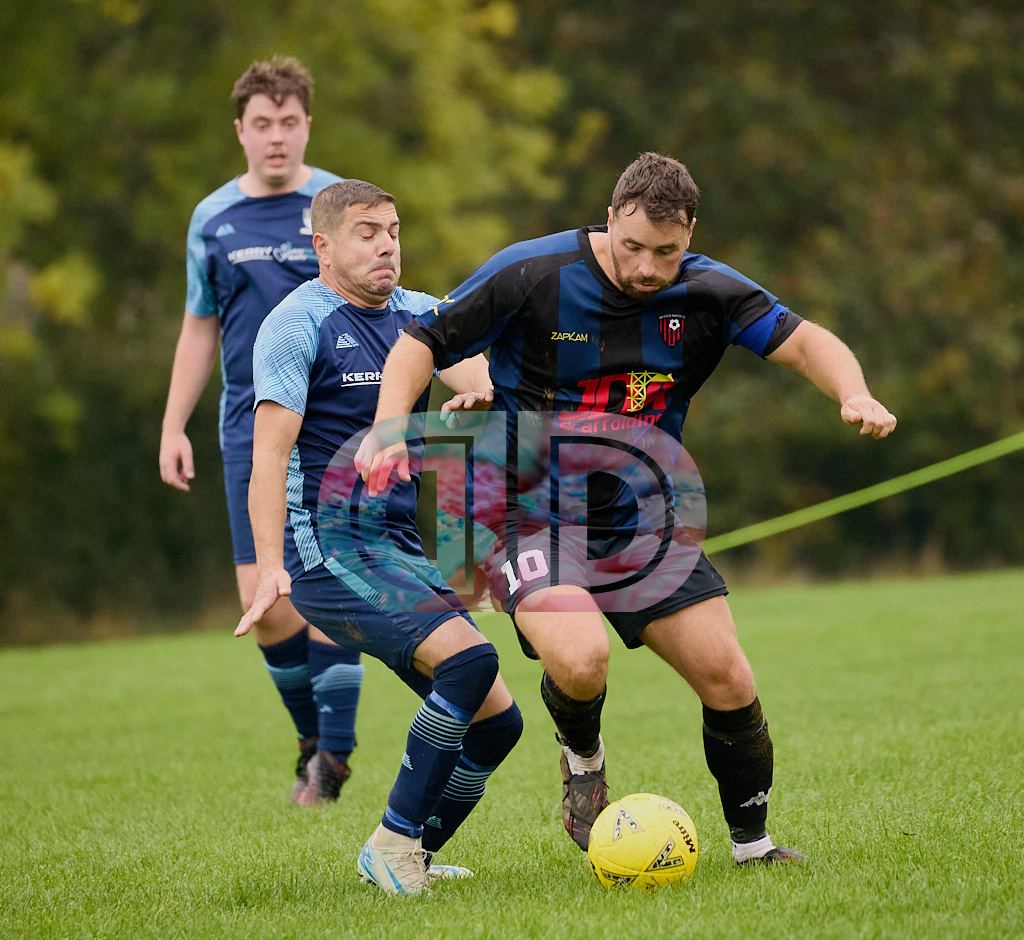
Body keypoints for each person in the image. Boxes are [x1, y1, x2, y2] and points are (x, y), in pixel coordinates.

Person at [357, 151, 897, 866]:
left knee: (728, 677)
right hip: (522, 512)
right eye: (633, 246)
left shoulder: (708, 291)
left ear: (690, 233)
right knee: (582, 659)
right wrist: (390, 426)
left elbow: (805, 343)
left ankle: (754, 847)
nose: (647, 268)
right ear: (610, 218)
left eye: (665, 252)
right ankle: (583, 758)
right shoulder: (534, 273)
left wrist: (853, 392)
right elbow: (420, 341)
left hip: (642, 519)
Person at [235, 179, 522, 894]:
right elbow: (266, 457)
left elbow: (478, 373)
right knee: (468, 664)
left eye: (392, 231)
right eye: (367, 233)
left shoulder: (419, 315)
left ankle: (410, 851)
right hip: (328, 551)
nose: (386, 245)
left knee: (498, 724)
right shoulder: (295, 325)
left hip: (396, 547)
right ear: (323, 247)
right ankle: (392, 845)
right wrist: (269, 566)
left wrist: (482, 390)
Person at [159, 57, 363, 805]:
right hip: (251, 426)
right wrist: (173, 424)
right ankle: (313, 738)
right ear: (240, 131)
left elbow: (380, 297)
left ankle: (333, 759)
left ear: (307, 125)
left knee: (332, 585)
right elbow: (199, 325)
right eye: (262, 124)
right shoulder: (212, 219)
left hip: (335, 424)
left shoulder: (337, 205)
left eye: (289, 122)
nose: (276, 136)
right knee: (267, 602)